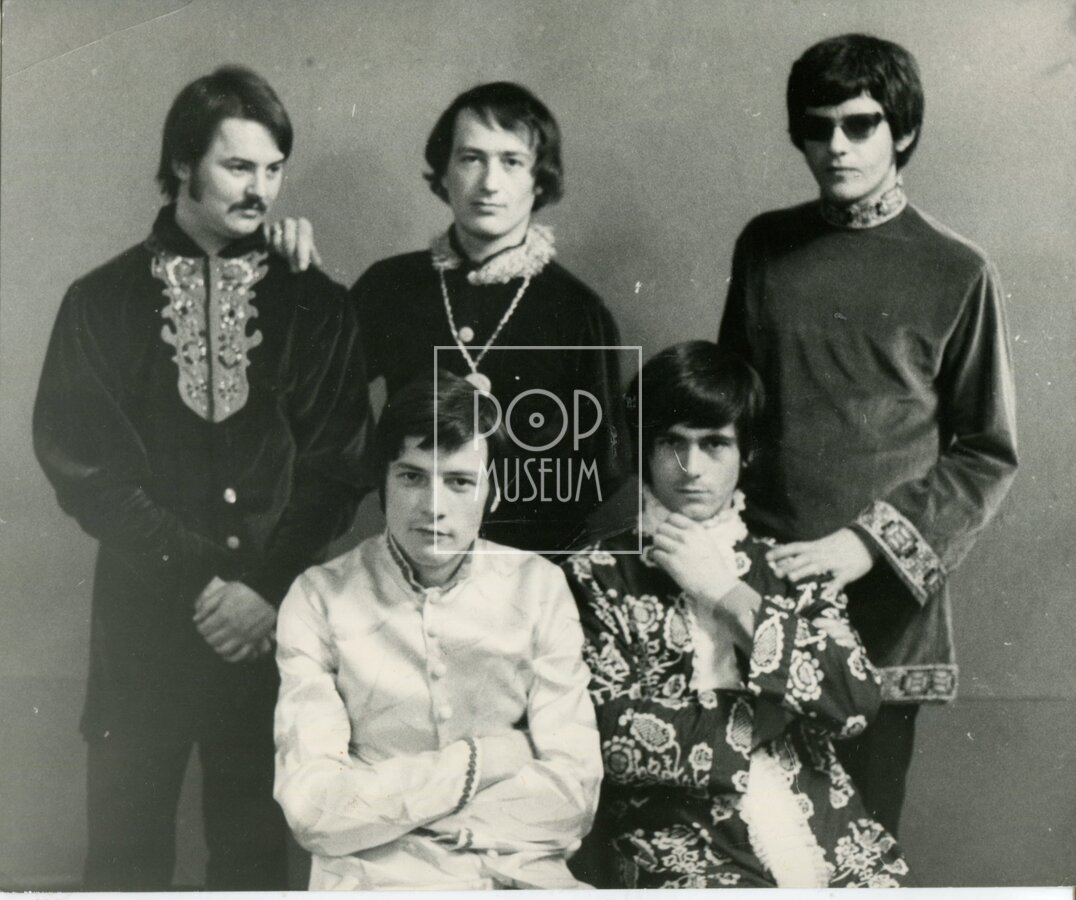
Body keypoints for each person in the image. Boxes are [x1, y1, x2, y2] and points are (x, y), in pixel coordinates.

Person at [32, 65, 372, 890]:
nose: (262, 189)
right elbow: (88, 471)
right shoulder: (100, 301)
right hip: (142, 631)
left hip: (271, 634)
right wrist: (209, 582)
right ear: (183, 162)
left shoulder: (316, 305)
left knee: (255, 863)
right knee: (123, 864)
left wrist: (262, 589)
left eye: (274, 169)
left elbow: (337, 467)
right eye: (237, 166)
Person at [716, 33, 1018, 836]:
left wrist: (866, 545)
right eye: (818, 128)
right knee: (749, 837)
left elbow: (987, 452)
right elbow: (728, 412)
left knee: (859, 846)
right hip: (760, 585)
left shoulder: (958, 269)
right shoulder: (765, 247)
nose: (837, 147)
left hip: (881, 607)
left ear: (903, 130)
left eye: (860, 124)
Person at [563, 342, 908, 888]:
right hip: (680, 840)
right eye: (671, 443)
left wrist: (724, 591)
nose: (691, 467)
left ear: (747, 452)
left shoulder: (790, 566)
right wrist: (767, 718)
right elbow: (610, 738)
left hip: (829, 827)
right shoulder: (595, 574)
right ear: (643, 450)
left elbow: (855, 702)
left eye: (714, 444)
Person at [273, 372, 602, 889]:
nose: (433, 505)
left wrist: (395, 814)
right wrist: (482, 761)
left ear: (493, 492)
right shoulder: (317, 597)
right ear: (382, 483)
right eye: (411, 477)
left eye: (459, 481)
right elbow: (313, 809)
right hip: (374, 880)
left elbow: (574, 795)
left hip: (517, 875)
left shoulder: (540, 587)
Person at [274, 81, 630, 554]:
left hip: (527, 560)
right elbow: (313, 400)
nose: (489, 183)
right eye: (471, 158)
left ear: (539, 180)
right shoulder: (391, 285)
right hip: (415, 545)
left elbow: (601, 465)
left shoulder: (579, 312)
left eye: (511, 161)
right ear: (444, 173)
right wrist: (293, 286)